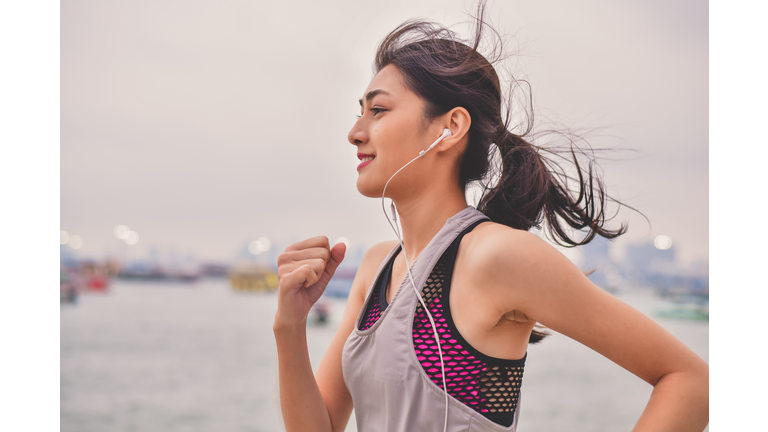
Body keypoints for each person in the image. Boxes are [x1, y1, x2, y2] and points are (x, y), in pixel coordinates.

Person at [272, 5, 709, 432]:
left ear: (450, 128)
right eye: (360, 111)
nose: (355, 131)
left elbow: (692, 383)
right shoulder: (377, 266)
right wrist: (289, 326)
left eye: (379, 110)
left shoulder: (497, 256)